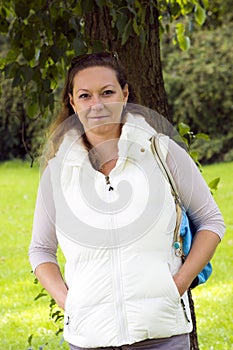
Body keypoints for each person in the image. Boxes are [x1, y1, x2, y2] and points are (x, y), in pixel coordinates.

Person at [29, 52, 225, 350]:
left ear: (125, 93)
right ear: (72, 102)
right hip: (88, 338)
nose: (97, 104)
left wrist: (178, 286)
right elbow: (41, 250)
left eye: (107, 92)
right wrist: (70, 303)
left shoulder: (163, 152)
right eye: (85, 95)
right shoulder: (57, 172)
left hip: (163, 336)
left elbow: (212, 221)